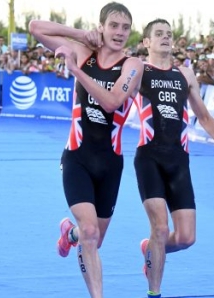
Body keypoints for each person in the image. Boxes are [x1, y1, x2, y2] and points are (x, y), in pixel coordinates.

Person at [28, 2, 143, 298]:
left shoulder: (132, 66)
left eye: (125, 27)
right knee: (90, 234)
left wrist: (76, 71)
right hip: (77, 157)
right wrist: (81, 34)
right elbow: (35, 27)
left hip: (110, 164)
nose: (119, 33)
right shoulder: (84, 50)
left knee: (93, 237)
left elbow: (112, 102)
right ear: (101, 27)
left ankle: (70, 234)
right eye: (113, 26)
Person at [135, 19, 214, 298]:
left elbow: (204, 116)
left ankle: (151, 249)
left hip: (179, 160)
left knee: (185, 238)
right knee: (160, 228)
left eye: (169, 34)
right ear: (146, 42)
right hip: (149, 157)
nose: (165, 38)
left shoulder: (185, 74)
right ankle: (154, 292)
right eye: (158, 34)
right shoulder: (137, 70)